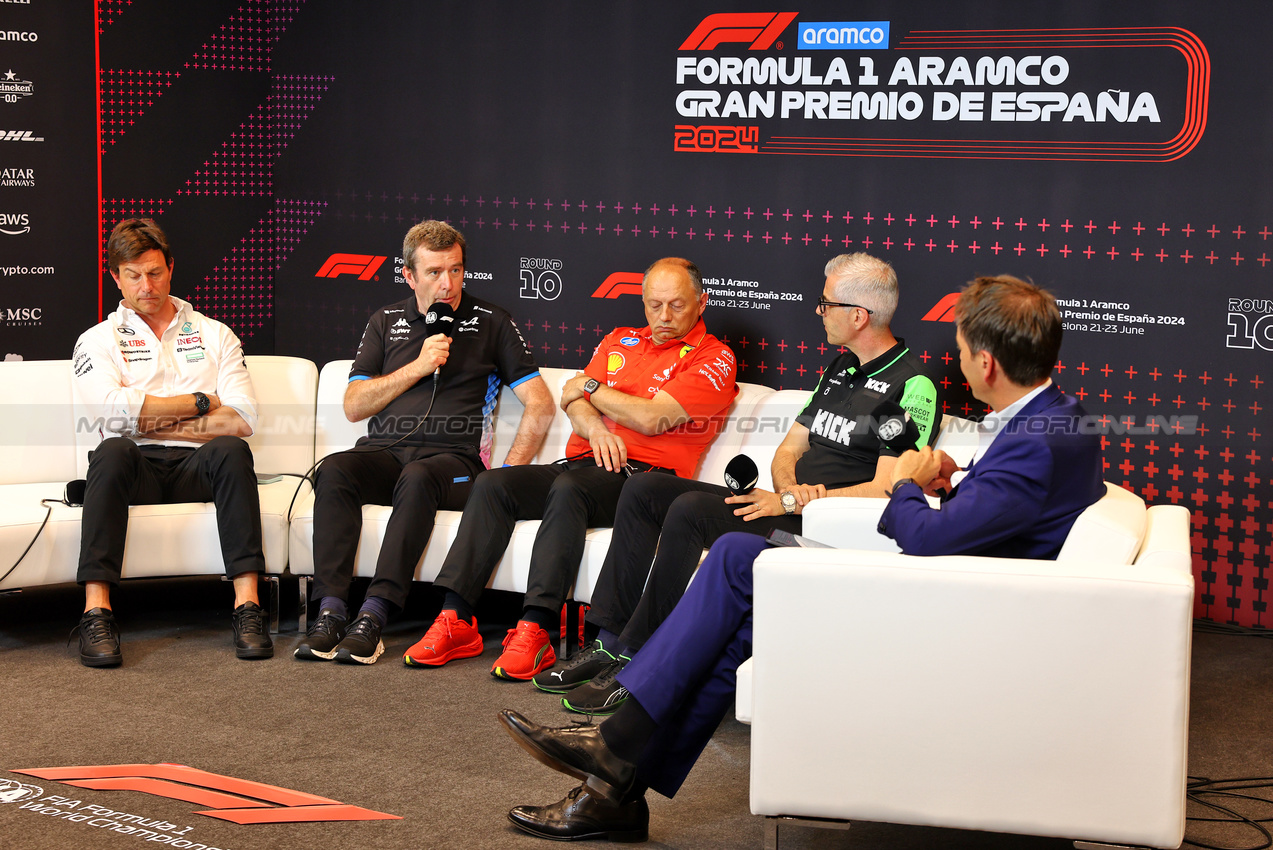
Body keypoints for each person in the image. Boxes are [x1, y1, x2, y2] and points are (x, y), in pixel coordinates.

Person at [498, 274, 1105, 842]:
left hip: (940, 603)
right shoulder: (1057, 419)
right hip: (951, 587)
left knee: (738, 558)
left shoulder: (1034, 441)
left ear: (987, 362)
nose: (962, 362)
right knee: (742, 608)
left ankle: (613, 750)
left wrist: (906, 483)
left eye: (965, 349)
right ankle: (612, 786)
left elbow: (926, 537)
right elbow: (1000, 510)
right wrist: (954, 477)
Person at [538, 253, 937, 714]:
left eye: (825, 303)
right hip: (784, 507)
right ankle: (609, 642)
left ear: (858, 315)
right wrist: (786, 491)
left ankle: (637, 663)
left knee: (687, 510)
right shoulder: (839, 369)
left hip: (825, 534)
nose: (818, 311)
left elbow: (891, 488)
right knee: (646, 491)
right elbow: (788, 450)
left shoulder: (914, 384)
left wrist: (798, 502)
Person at [402, 257, 738, 681]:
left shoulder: (714, 357)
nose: (663, 317)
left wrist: (592, 388)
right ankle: (456, 619)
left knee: (569, 489)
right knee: (494, 484)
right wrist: (595, 428)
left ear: (702, 302)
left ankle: (536, 628)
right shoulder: (621, 339)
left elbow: (653, 417)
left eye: (676, 305)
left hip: (644, 481)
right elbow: (571, 400)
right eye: (654, 305)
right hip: (582, 462)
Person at [295, 220, 554, 665]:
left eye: (455, 270)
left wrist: (508, 472)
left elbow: (541, 403)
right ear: (409, 275)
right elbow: (355, 405)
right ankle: (331, 611)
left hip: (452, 463)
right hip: (385, 453)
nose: (447, 284)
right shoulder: (386, 321)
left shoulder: (493, 321)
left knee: (417, 477)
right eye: (434, 272)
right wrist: (417, 366)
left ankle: (374, 615)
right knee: (335, 469)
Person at [71, 218, 272, 667]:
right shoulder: (97, 341)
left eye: (155, 272)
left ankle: (248, 607)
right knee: (112, 449)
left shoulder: (215, 333)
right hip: (132, 468)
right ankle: (96, 613)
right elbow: (110, 413)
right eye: (134, 274)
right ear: (115, 276)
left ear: (171, 268)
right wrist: (201, 402)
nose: (147, 285)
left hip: (197, 467)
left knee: (232, 450)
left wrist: (144, 417)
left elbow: (241, 418)